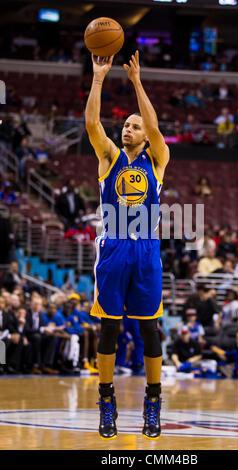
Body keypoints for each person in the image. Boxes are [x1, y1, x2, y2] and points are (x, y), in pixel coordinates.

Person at [85, 51, 169, 440]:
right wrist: (99, 78)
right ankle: (107, 401)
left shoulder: (156, 160)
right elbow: (91, 123)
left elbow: (154, 128)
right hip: (115, 248)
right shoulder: (109, 157)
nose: (129, 129)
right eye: (126, 125)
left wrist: (137, 82)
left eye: (134, 125)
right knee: (109, 329)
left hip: (146, 249)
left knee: (150, 330)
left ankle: (153, 401)